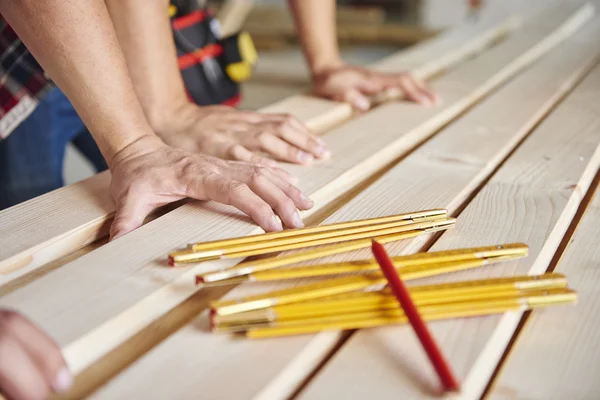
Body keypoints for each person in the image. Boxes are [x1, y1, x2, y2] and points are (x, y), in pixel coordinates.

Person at [0, 1, 436, 398]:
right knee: (37, 236)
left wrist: (325, 61)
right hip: (30, 35)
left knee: (163, 187)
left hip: (149, 20)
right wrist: (141, 139)